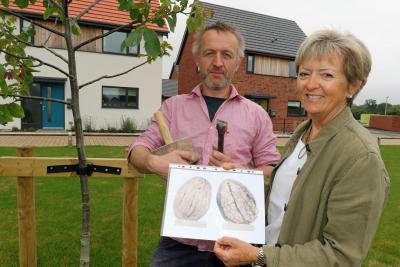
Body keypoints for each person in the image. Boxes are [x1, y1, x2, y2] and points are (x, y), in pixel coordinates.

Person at [214, 29, 390, 267]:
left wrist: (259, 257)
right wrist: (242, 176)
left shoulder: (361, 158)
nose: (311, 84)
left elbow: (341, 256)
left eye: (326, 75)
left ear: (353, 86)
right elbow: (287, 194)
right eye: (304, 73)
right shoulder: (303, 132)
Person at [128, 21, 281, 267]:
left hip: (239, 243)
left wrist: (241, 173)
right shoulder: (173, 107)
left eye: (227, 55)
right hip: (180, 243)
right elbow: (136, 151)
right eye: (210, 53)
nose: (218, 62)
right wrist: (154, 162)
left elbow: (271, 170)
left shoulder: (256, 115)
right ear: (198, 58)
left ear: (238, 62)